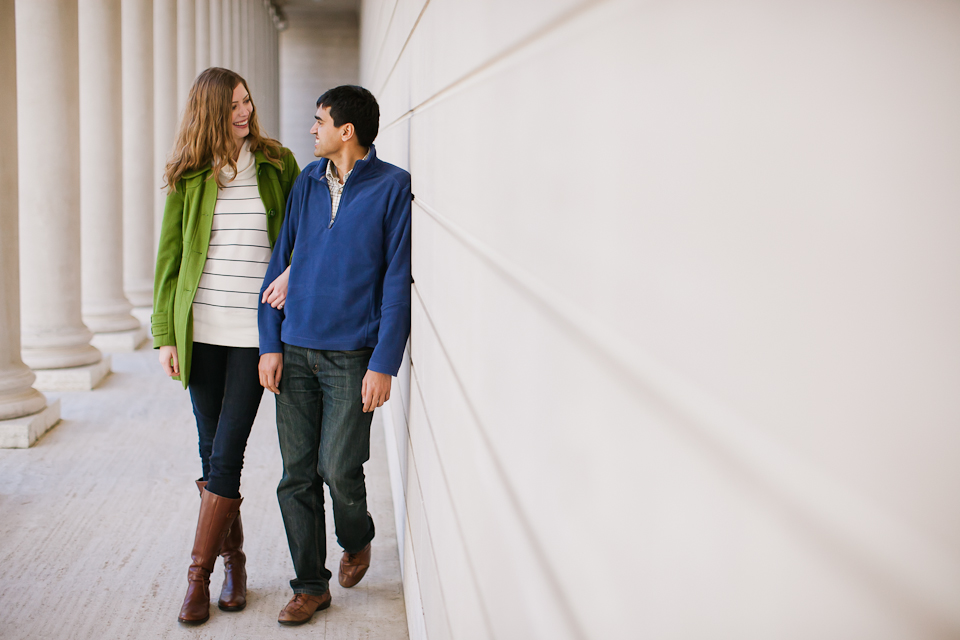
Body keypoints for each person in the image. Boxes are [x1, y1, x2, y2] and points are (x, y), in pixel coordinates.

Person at [258, 85, 411, 626]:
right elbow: (283, 259)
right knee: (295, 474)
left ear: (347, 131)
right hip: (295, 350)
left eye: (319, 120)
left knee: (339, 468)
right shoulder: (306, 181)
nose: (312, 129)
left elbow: (397, 281)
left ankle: (357, 535)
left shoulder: (393, 187)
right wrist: (270, 342)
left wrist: (383, 362)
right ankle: (309, 586)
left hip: (352, 357)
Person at [152, 67, 300, 625]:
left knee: (227, 451)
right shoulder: (189, 174)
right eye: (234, 105)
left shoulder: (277, 162)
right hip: (200, 332)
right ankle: (235, 561)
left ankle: (198, 579)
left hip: (254, 332)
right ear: (210, 111)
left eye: (247, 101)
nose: (245, 112)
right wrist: (166, 335)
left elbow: (298, 237)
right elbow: (169, 262)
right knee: (210, 449)